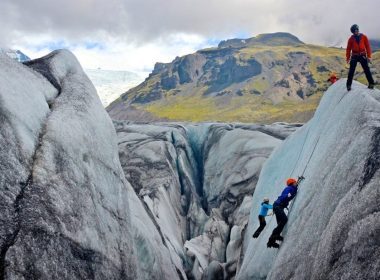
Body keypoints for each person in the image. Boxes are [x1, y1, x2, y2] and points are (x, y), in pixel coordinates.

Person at [267, 178, 299, 248]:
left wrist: (297, 185)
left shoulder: (292, 188)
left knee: (280, 223)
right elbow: (285, 195)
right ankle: (273, 237)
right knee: (284, 220)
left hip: (278, 206)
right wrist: (288, 196)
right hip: (278, 206)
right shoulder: (289, 188)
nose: (296, 183)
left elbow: (294, 190)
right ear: (292, 183)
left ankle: (272, 241)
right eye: (295, 182)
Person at [346, 24, 375, 91]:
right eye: (354, 31)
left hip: (362, 55)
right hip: (354, 55)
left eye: (356, 30)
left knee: (366, 69)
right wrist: (348, 58)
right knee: (351, 71)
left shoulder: (364, 37)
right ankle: (348, 85)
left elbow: (368, 47)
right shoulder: (351, 39)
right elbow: (348, 49)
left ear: (358, 29)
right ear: (353, 32)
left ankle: (371, 83)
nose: (356, 31)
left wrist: (369, 56)